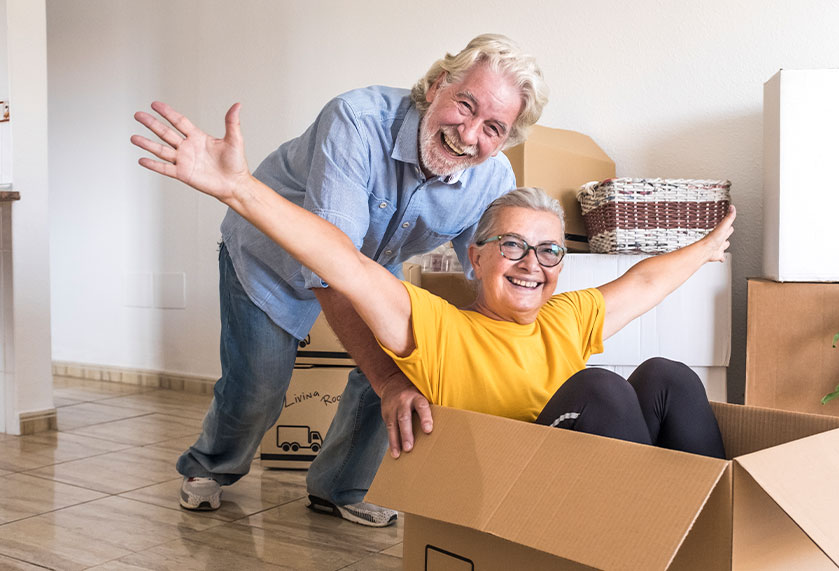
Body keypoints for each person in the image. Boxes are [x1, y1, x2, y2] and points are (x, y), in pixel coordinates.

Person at [132, 101, 736, 472]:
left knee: (668, 376)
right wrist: (238, 188)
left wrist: (709, 246)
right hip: (521, 482)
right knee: (603, 388)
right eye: (513, 245)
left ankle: (710, 533)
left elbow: (647, 280)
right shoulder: (437, 326)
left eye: (549, 249)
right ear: (475, 258)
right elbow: (340, 262)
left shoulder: (568, 317)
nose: (532, 263)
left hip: (589, 466)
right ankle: (638, 537)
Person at [131, 34, 548, 526]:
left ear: (506, 138)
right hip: (268, 257)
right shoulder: (357, 120)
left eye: (493, 127)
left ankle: (338, 487)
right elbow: (330, 268)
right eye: (465, 104)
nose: (469, 133)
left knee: (415, 358)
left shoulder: (491, 178)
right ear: (438, 85)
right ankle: (210, 466)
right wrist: (387, 378)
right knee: (261, 388)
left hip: (369, 266)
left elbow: (487, 276)